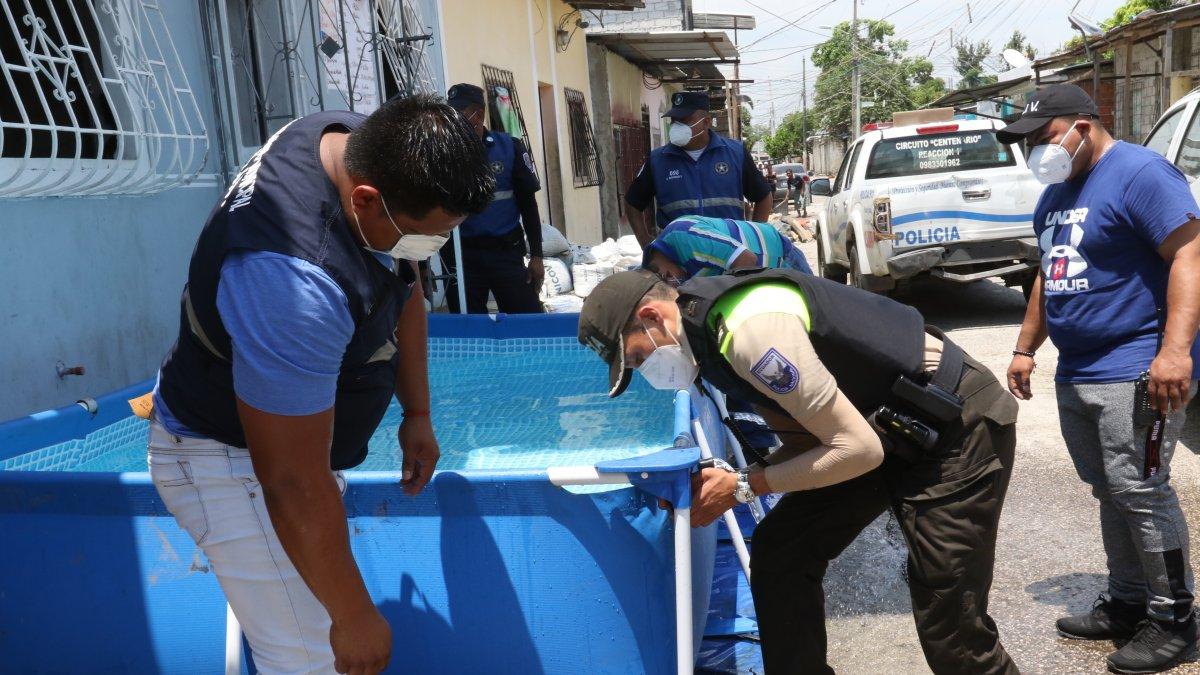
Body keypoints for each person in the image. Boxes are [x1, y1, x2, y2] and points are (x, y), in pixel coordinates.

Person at [148, 95, 493, 674]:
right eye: (424, 236)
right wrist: (353, 614)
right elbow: (290, 479)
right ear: (366, 200)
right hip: (229, 457)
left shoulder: (353, 144)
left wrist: (417, 412)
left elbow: (404, 281)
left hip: (285, 443)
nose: (428, 252)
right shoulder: (291, 283)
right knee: (312, 658)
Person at [578, 268, 1020, 674]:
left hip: (955, 427)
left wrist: (743, 485)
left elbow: (856, 450)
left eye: (638, 359)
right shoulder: (704, 339)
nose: (645, 372)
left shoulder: (748, 332)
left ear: (651, 317)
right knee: (782, 553)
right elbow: (809, 443)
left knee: (950, 621)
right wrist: (733, 479)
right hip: (882, 428)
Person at [1001, 84, 1200, 674]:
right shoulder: (1056, 194)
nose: (1037, 152)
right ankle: (1129, 601)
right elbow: (1050, 272)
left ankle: (1175, 620)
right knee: (1110, 490)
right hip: (1078, 369)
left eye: (1043, 137)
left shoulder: (1141, 174)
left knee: (1140, 489)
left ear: (1082, 127)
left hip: (1137, 365)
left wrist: (1175, 352)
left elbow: (1189, 256)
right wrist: (1024, 348)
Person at [442, 83, 545, 314]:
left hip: (505, 253)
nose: (452, 122)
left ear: (478, 115)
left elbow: (528, 205)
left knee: (525, 320)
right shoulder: (445, 154)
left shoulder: (509, 148)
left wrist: (537, 256)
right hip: (464, 258)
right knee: (469, 327)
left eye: (458, 115)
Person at [625, 91, 773, 247]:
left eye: (684, 120)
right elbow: (632, 203)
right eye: (674, 120)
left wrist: (753, 240)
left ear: (706, 122)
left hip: (730, 253)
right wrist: (646, 243)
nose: (676, 126)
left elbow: (763, 197)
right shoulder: (658, 160)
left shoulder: (735, 153)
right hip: (678, 255)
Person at [642, 215, 812, 285]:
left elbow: (746, 260)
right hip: (764, 275)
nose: (678, 285)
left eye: (674, 283)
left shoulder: (684, 236)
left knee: (816, 319)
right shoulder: (673, 261)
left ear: (665, 275)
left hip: (781, 257)